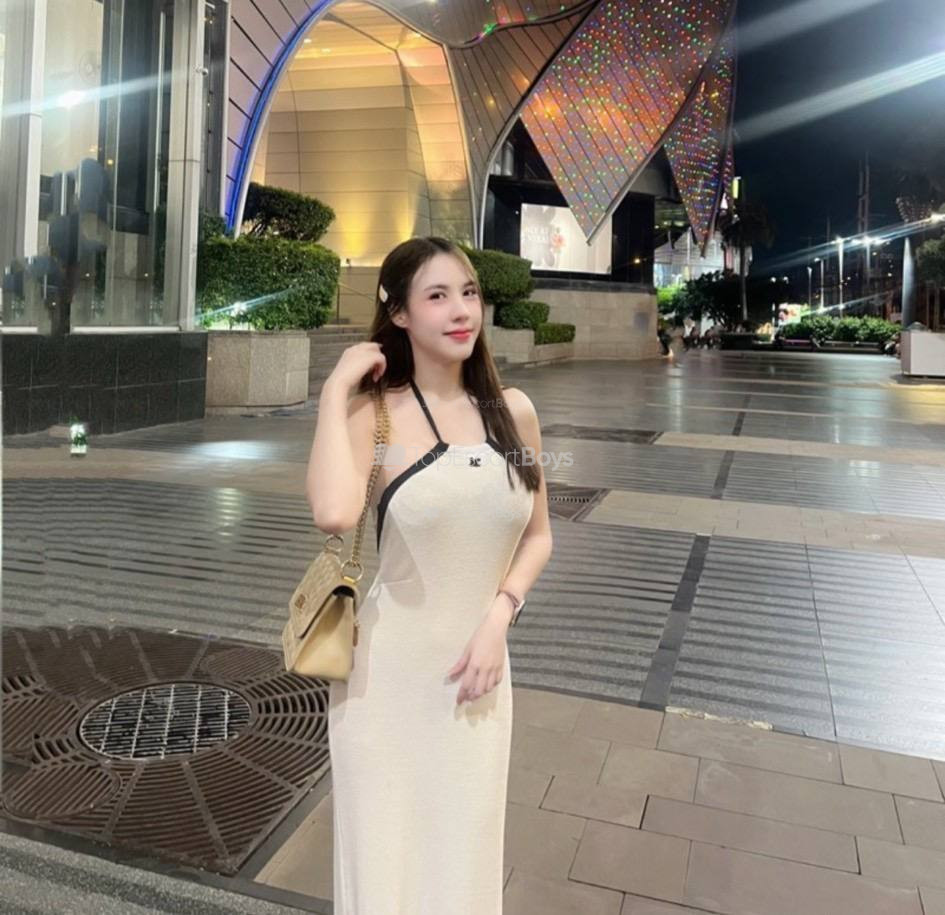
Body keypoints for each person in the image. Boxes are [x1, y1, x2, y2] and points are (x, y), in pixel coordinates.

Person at [306, 236, 553, 914]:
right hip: (386, 681)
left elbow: (538, 536)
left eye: (468, 292)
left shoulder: (514, 412)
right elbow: (333, 513)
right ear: (400, 314)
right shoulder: (374, 414)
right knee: (385, 865)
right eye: (437, 296)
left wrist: (499, 616)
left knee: (461, 859)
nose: (460, 311)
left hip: (478, 677)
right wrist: (334, 391)